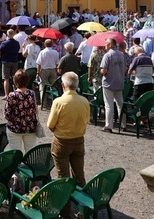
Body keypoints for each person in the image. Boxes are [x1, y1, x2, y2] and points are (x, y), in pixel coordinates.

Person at [47, 72, 90, 219]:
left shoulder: (59, 102)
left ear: (63, 85)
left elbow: (50, 124)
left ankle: (65, 213)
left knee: (63, 178)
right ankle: (84, 210)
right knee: (80, 176)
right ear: (77, 85)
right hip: (79, 141)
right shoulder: (84, 101)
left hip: (62, 142)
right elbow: (86, 121)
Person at [4, 69, 38, 153]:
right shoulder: (31, 93)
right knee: (30, 152)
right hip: (30, 127)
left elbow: (7, 115)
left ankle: (17, 165)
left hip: (15, 128)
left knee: (15, 153)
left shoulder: (12, 95)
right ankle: (30, 166)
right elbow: (35, 109)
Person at [100, 38, 126, 133]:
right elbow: (125, 68)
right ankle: (123, 124)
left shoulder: (107, 55)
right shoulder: (121, 54)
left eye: (106, 43)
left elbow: (103, 70)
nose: (105, 44)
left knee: (109, 105)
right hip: (119, 82)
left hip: (109, 82)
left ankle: (108, 126)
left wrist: (102, 72)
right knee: (120, 104)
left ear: (111, 44)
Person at [0, 28, 21, 96]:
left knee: (6, 79)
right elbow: (18, 50)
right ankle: (16, 92)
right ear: (13, 34)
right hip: (14, 61)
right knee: (15, 77)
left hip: (6, 61)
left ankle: (6, 94)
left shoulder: (4, 43)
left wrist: (2, 56)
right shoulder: (17, 43)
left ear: (7, 34)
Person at [36, 39, 60, 106]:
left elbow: (39, 63)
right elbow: (57, 63)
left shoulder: (42, 52)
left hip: (44, 70)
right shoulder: (55, 52)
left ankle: (44, 103)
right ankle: (55, 103)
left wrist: (37, 73)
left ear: (44, 44)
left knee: (43, 87)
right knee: (54, 87)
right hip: (53, 70)